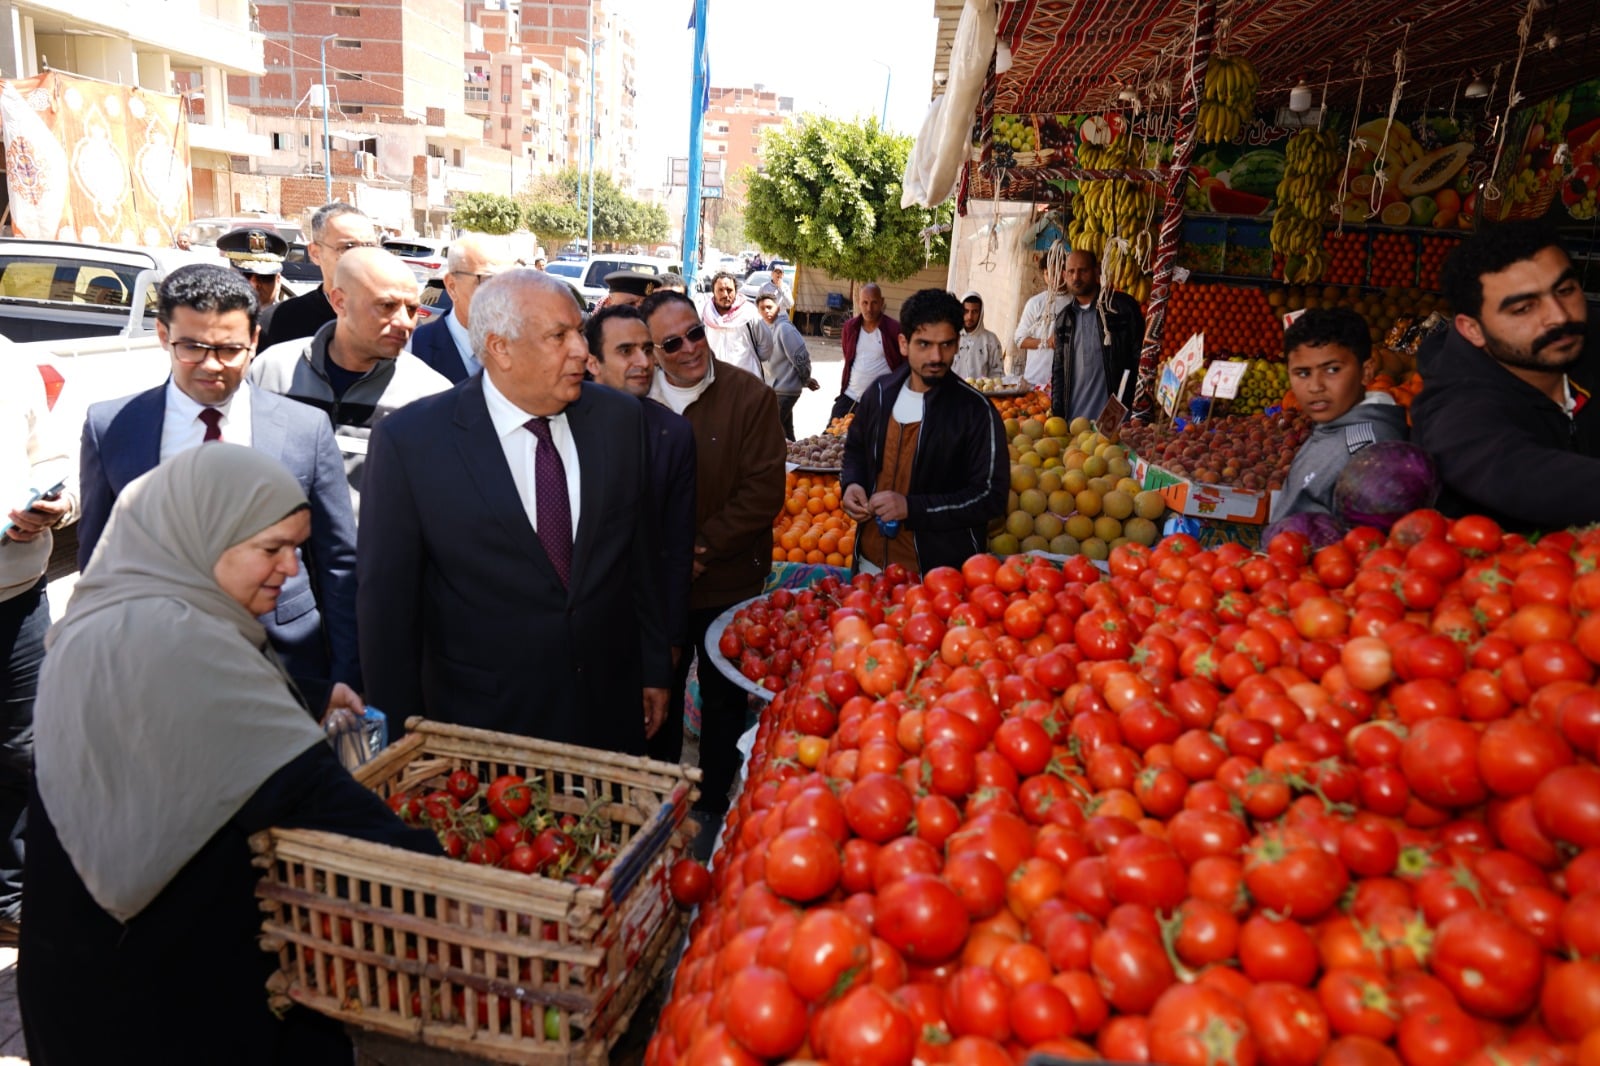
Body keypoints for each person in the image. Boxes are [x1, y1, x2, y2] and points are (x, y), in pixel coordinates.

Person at [19, 445, 437, 1065]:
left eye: (297, 547)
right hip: (157, 1000)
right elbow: (306, 795)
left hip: (93, 964)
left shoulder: (121, 608)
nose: (292, 569)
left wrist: (310, 697)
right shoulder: (176, 641)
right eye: (271, 548)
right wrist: (450, 873)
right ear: (202, 534)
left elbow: (183, 717)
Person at [358, 270, 671, 750]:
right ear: (500, 348)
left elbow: (642, 556)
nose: (581, 353)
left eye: (579, 332)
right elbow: (387, 610)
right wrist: (403, 742)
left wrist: (653, 667)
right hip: (481, 725)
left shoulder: (619, 421)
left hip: (608, 708)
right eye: (557, 337)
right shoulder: (412, 441)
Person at [78, 264, 362, 699]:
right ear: (162, 335)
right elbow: (98, 560)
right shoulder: (112, 426)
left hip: (287, 662)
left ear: (253, 341)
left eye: (229, 349)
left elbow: (339, 561)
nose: (212, 366)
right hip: (154, 663)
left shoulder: (305, 429)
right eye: (192, 347)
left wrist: (346, 674)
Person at [640, 290, 784, 819]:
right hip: (655, 586)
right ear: (653, 351)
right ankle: (657, 801)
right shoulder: (635, 399)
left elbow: (763, 494)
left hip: (726, 579)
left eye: (694, 333)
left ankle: (712, 804)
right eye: (671, 342)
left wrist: (695, 555)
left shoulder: (750, 396)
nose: (688, 349)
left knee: (724, 698)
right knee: (659, 690)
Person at [1412, 221, 1600, 532]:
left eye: (1565, 290)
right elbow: (1521, 475)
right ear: (1472, 330)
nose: (1559, 316)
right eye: (1524, 308)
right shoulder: (1454, 412)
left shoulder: (1584, 336)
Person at [249, 247, 451, 511]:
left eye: (412, 310)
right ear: (339, 302)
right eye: (387, 306)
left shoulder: (431, 396)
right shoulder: (273, 371)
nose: (404, 322)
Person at [584, 304, 698, 762]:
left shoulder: (673, 434)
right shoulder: (559, 425)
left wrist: (666, 650)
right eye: (625, 350)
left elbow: (673, 553)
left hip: (644, 636)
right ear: (591, 362)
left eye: (647, 349)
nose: (643, 362)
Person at [841, 289, 1007, 577]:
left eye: (946, 344)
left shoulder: (976, 412)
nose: (936, 356)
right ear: (903, 344)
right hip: (868, 565)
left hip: (938, 577)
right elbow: (855, 449)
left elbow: (990, 497)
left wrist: (912, 508)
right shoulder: (879, 394)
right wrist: (853, 483)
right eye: (924, 344)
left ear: (958, 344)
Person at [0, 358, 76, 946]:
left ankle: (11, 899)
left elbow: (47, 456)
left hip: (18, 594)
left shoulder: (10, 362)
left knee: (23, 749)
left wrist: (59, 501)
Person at [1270, 308, 1408, 521]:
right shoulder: (1332, 426)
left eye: (1333, 370)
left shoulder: (1366, 450)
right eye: (1303, 373)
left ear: (1367, 371)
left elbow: (1365, 542)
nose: (1315, 386)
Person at [258, 203, 379, 350]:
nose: (361, 256)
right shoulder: (277, 322)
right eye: (348, 247)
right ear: (315, 253)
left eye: (369, 246)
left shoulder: (394, 318)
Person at [1050, 249, 1144, 421]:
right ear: (1064, 275)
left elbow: (1140, 359)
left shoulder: (1122, 308)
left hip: (1114, 422)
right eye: (1071, 271)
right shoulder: (1064, 319)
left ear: (1097, 270)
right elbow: (1058, 371)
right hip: (1074, 424)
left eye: (1083, 270)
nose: (1076, 277)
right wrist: (1057, 415)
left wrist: (1133, 407)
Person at [410, 233, 514, 384]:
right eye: (488, 281)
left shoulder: (528, 347)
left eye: (510, 281)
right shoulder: (414, 349)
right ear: (452, 286)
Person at [834, 283, 904, 419]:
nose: (869, 308)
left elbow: (902, 364)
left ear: (882, 302)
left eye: (874, 303)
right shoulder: (850, 327)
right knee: (832, 435)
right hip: (851, 397)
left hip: (881, 402)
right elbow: (848, 357)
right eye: (864, 303)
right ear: (859, 302)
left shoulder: (894, 329)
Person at [757, 290, 819, 440]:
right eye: (762, 308)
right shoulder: (764, 329)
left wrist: (806, 379)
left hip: (785, 391)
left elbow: (800, 358)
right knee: (786, 432)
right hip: (774, 391)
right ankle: (794, 459)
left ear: (778, 308)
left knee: (767, 430)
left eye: (769, 307)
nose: (766, 311)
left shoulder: (784, 329)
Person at [700, 270, 774, 380]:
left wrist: (751, 359)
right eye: (720, 290)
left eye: (729, 290)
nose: (725, 294)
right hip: (715, 381)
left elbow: (766, 345)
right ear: (713, 292)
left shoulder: (749, 313)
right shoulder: (705, 315)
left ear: (736, 291)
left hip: (747, 381)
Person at [1015, 256, 1070, 389]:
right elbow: (1019, 340)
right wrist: (1047, 342)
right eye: (1047, 273)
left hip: (1066, 384)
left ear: (1065, 272)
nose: (1052, 277)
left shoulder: (1075, 303)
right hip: (1035, 380)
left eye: (1056, 272)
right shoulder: (1035, 303)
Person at [217, 226, 287, 315]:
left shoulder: (291, 323)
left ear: (278, 280)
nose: (253, 284)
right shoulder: (214, 320)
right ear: (229, 277)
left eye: (264, 276)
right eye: (245, 275)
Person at [954, 290, 1005, 380]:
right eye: (966, 311)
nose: (970, 316)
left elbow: (997, 374)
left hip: (979, 393)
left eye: (975, 312)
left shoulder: (991, 340)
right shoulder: (950, 337)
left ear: (981, 313)